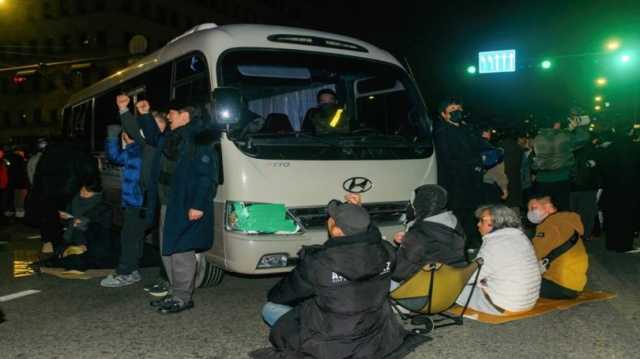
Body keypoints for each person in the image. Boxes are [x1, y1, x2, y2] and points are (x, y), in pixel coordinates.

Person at [256, 200, 417, 359]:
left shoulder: (318, 262)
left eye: (331, 218)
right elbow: (373, 236)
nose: (329, 219)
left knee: (270, 308)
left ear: (337, 231)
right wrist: (357, 211)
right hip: (375, 335)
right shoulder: (387, 251)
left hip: (331, 343)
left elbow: (281, 295)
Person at [141, 100, 220, 314]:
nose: (168, 116)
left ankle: (182, 297)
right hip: (169, 202)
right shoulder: (172, 138)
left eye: (172, 113)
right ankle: (175, 291)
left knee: (181, 250)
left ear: (185, 116)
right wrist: (145, 115)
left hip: (187, 205)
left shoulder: (199, 141)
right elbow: (153, 138)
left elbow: (207, 177)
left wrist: (198, 205)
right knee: (167, 250)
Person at [455, 204, 541, 315]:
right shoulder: (521, 237)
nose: (478, 224)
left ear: (495, 222)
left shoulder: (495, 242)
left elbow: (471, 277)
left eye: (482, 221)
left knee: (451, 286)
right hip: (528, 302)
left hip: (505, 305)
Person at [433, 98, 494, 250]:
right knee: (458, 214)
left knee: (473, 212)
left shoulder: (466, 129)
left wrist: (493, 149)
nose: (457, 111)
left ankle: (473, 242)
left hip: (471, 180)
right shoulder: (442, 132)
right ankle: (460, 246)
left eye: (459, 108)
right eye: (452, 109)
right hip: (455, 182)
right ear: (444, 114)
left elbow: (478, 143)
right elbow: (448, 158)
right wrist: (475, 160)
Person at [391, 185, 467, 286]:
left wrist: (393, 251)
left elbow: (399, 273)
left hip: (426, 290)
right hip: (452, 286)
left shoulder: (419, 232)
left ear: (419, 204)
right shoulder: (453, 223)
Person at [99, 125, 146, 287]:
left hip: (136, 203)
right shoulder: (143, 150)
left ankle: (126, 273)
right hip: (142, 203)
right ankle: (133, 270)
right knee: (136, 238)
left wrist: (112, 136)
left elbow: (114, 156)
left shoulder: (134, 152)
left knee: (128, 238)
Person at [527, 195, 589, 298]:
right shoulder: (564, 220)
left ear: (548, 207)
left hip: (559, 285)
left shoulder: (550, 226)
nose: (530, 212)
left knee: (509, 281)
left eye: (533, 208)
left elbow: (533, 257)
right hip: (574, 284)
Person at [531, 114, 589, 211]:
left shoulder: (537, 138)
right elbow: (583, 138)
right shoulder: (564, 136)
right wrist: (578, 126)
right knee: (561, 210)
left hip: (541, 179)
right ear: (556, 124)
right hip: (561, 178)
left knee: (544, 210)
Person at [569, 132, 601, 241]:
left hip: (571, 186)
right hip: (588, 187)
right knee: (587, 215)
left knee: (572, 214)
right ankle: (584, 237)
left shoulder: (568, 150)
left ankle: (572, 237)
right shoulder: (593, 150)